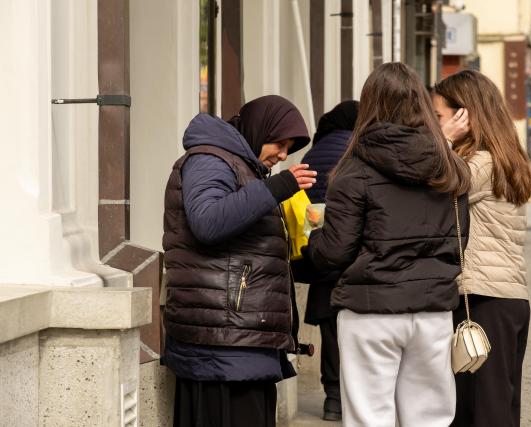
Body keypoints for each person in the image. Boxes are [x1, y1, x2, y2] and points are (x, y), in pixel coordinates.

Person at [307, 62, 471, 427]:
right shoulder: (451, 166)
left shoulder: (353, 170)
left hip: (370, 308)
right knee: (430, 419)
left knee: (369, 418)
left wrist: (312, 241)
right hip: (432, 309)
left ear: (369, 105)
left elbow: (334, 251)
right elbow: (460, 241)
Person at [162, 95, 317, 427]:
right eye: (279, 143)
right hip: (222, 343)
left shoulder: (240, 166)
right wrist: (277, 188)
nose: (283, 155)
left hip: (236, 341)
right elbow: (208, 222)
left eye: (289, 148)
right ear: (259, 130)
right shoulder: (210, 159)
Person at [433, 69, 531, 426]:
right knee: (498, 408)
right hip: (507, 297)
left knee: (482, 411)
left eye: (439, 116)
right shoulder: (503, 158)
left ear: (465, 116)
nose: (434, 125)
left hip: (484, 299)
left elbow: (433, 184)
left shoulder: (480, 164)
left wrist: (444, 140)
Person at [294, 100, 359, 421]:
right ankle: (354, 398)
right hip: (354, 258)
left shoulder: (312, 155)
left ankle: (333, 398)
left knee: (331, 331)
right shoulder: (357, 150)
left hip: (321, 255)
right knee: (357, 333)